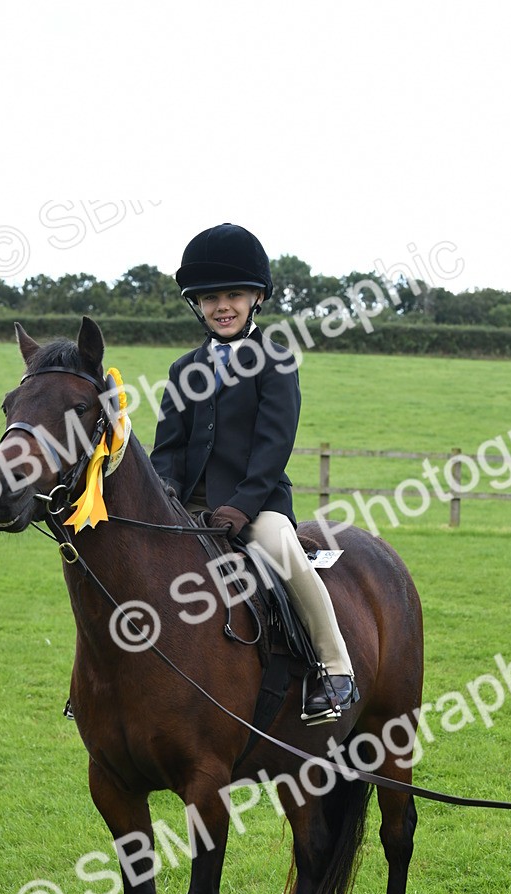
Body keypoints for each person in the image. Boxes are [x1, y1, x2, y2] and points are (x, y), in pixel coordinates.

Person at [150, 222, 356, 721]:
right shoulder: (183, 370)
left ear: (256, 298)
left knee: (284, 552)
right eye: (210, 298)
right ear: (196, 304)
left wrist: (241, 506)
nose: (222, 306)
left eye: (234, 295)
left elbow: (273, 447)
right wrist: (164, 494)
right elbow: (168, 448)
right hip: (188, 507)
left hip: (256, 504)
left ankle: (335, 670)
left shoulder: (276, 362)